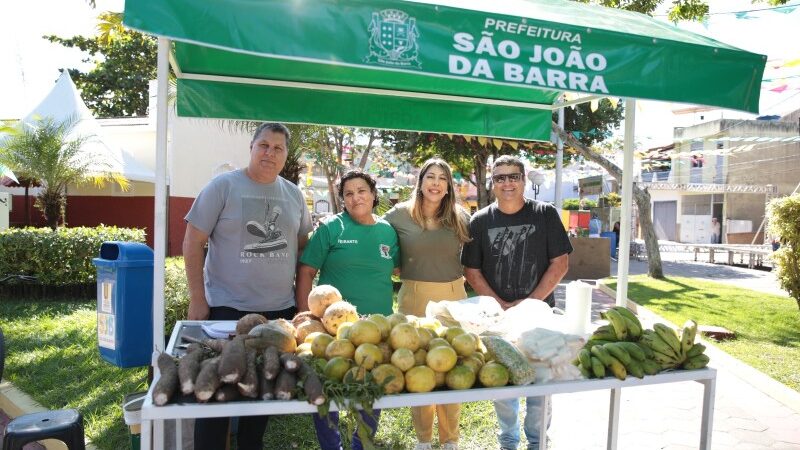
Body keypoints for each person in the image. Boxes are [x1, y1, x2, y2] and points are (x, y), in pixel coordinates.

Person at [183, 123, 312, 450]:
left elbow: (303, 251)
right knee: (215, 396)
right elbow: (192, 241)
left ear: (285, 155)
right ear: (251, 148)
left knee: (261, 394)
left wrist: (301, 306)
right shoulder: (222, 187)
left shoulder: (294, 194)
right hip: (227, 309)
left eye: (278, 148)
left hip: (277, 313)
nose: (270, 153)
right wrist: (198, 298)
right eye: (264, 146)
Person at [461, 155, 572, 450]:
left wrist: (529, 304)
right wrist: (499, 303)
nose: (507, 182)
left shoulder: (545, 214)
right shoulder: (480, 221)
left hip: (540, 318)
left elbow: (560, 264)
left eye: (513, 176)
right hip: (497, 317)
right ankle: (508, 441)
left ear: (523, 180)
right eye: (500, 177)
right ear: (492, 183)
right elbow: (471, 270)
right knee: (504, 383)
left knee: (540, 385)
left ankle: (537, 443)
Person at [296, 169, 399, 450]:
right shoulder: (331, 228)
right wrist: (304, 316)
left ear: (374, 194)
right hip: (332, 329)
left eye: (362, 191)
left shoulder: (387, 232)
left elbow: (399, 269)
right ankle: (331, 446)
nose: (356, 198)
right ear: (343, 200)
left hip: (376, 328)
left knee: (371, 390)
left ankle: (360, 444)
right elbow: (306, 271)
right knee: (326, 390)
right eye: (349, 194)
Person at [383, 158, 471, 450]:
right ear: (419, 183)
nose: (435, 183)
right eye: (430, 177)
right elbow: (380, 245)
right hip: (414, 296)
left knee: (451, 366)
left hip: (454, 297)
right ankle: (423, 440)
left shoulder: (460, 216)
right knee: (419, 369)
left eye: (442, 178)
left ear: (448, 187)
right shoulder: (397, 215)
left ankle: (450, 441)